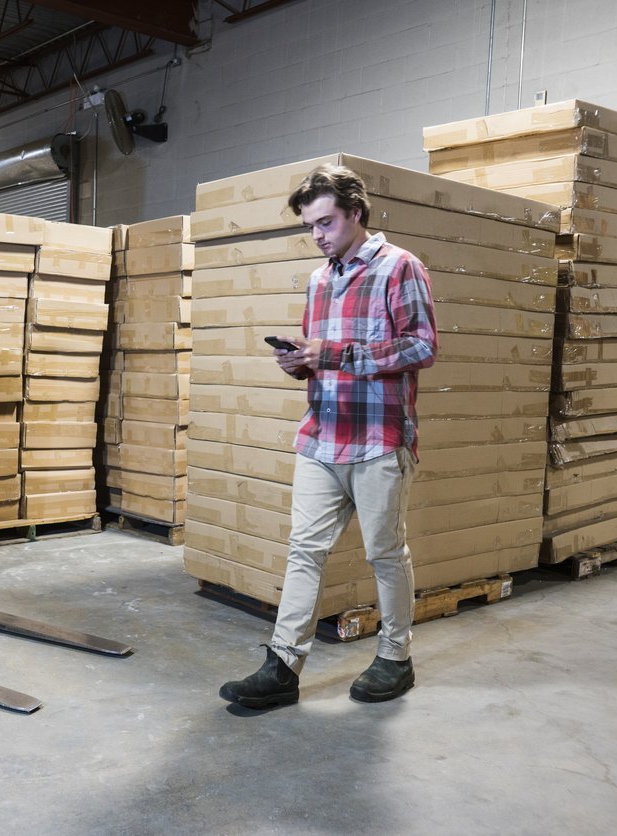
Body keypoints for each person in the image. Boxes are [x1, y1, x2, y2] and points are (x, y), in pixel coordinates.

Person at [219, 164, 438, 708]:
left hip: (379, 439)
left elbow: (422, 347)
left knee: (385, 553)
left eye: (326, 222)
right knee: (303, 552)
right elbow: (324, 357)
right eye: (310, 226)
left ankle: (395, 658)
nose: (318, 235)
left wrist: (336, 355)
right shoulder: (320, 279)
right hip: (322, 437)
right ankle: (283, 666)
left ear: (356, 213)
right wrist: (301, 364)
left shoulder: (399, 268)